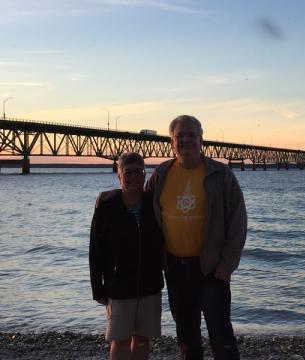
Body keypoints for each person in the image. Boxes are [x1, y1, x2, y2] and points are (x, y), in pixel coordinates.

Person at [145, 115, 247, 360]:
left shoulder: (220, 174)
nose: (186, 140)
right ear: (172, 142)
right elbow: (140, 204)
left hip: (211, 270)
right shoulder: (162, 173)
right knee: (187, 338)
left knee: (220, 335)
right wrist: (112, 198)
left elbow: (238, 220)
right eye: (180, 136)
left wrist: (227, 263)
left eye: (192, 135)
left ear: (201, 139)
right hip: (176, 270)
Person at [89, 152, 164, 360]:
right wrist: (98, 289)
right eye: (128, 172)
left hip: (150, 286)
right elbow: (96, 250)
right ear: (119, 176)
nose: (133, 177)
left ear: (145, 174)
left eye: (139, 172)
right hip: (119, 287)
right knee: (120, 340)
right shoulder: (107, 205)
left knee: (142, 339)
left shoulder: (155, 204)